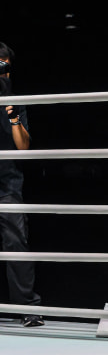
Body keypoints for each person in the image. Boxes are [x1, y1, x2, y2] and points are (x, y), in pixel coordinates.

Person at [0, 42, 42, 327]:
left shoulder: (15, 100)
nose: (2, 70)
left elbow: (23, 146)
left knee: (16, 242)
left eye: (5, 65)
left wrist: (13, 116)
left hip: (8, 182)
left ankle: (28, 307)